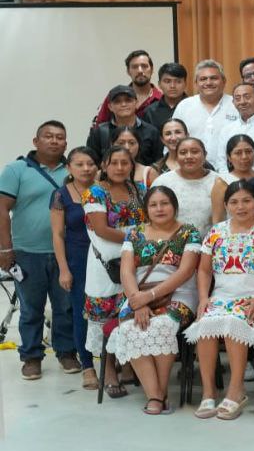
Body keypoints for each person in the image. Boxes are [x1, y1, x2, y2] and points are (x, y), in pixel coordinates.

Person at [186, 181, 254, 420]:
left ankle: (236, 391)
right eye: (234, 202)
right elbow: (204, 270)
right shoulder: (216, 232)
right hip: (223, 297)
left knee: (234, 321)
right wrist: (203, 298)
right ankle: (209, 392)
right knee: (204, 324)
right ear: (226, 205)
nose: (240, 207)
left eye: (246, 201)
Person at [111, 186, 201, 415]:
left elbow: (186, 272)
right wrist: (138, 301)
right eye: (153, 205)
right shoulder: (134, 234)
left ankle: (159, 395)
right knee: (130, 328)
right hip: (137, 293)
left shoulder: (189, 232)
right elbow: (126, 272)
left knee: (162, 325)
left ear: (174, 206)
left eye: (164, 203)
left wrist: (150, 296)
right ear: (146, 209)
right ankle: (156, 395)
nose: (159, 209)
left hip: (179, 293)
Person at [0, 121, 73, 380]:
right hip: (27, 252)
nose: (54, 141)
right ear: (36, 141)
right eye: (48, 136)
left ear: (66, 143)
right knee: (31, 309)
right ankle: (31, 357)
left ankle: (66, 352)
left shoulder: (73, 169)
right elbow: (2, 210)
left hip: (66, 252)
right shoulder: (16, 170)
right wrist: (5, 248)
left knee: (65, 307)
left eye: (60, 137)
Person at [83, 145, 146, 398]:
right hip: (106, 264)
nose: (120, 167)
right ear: (104, 166)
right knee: (104, 315)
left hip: (135, 262)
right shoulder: (95, 192)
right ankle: (109, 371)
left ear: (132, 165)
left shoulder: (139, 189)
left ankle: (128, 364)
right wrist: (139, 238)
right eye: (114, 163)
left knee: (127, 312)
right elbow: (102, 230)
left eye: (125, 163)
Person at [51, 146, 99, 387]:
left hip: (106, 258)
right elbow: (58, 235)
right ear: (69, 167)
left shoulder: (104, 189)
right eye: (79, 164)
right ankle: (88, 366)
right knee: (82, 312)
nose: (86, 168)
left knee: (110, 310)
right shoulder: (60, 195)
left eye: (90, 163)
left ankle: (115, 364)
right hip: (77, 259)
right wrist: (63, 269)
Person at [151, 138, 218, 237]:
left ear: (205, 155)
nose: (189, 156)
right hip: (170, 242)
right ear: (176, 156)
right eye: (183, 153)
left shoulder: (218, 182)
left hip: (210, 242)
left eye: (194, 152)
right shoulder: (163, 182)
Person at [87, 85, 162, 166]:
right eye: (117, 101)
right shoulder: (99, 132)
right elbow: (91, 162)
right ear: (110, 107)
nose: (123, 104)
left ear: (136, 103)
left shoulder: (151, 131)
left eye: (128, 100)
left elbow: (159, 161)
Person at [172, 60, 239, 149]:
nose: (208, 83)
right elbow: (172, 139)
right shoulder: (184, 106)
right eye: (203, 79)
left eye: (214, 78)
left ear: (224, 81)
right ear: (196, 83)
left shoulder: (236, 105)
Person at [212, 82, 254, 171]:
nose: (242, 102)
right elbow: (221, 162)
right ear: (233, 102)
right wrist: (228, 178)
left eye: (247, 97)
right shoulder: (227, 130)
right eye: (237, 98)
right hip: (232, 179)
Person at [92, 50, 162, 126]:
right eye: (134, 67)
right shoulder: (114, 97)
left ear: (152, 69)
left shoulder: (162, 99)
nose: (140, 70)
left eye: (144, 66)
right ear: (128, 71)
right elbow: (99, 127)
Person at [210, 135, 254, 222]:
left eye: (248, 151)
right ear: (229, 157)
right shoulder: (222, 182)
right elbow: (217, 220)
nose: (244, 156)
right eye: (238, 153)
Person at [141, 62, 188, 130]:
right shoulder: (150, 112)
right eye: (167, 81)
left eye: (178, 81)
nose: (172, 86)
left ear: (185, 84)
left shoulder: (194, 107)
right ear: (159, 84)